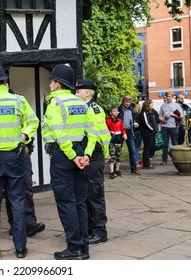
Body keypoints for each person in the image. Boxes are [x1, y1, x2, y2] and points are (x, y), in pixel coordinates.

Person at [0, 61, 39, 260]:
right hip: (15, 158)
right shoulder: (19, 101)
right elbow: (33, 121)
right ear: (5, 82)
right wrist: (24, 136)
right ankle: (20, 248)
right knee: (17, 201)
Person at [41, 64, 96, 260]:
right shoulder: (82, 103)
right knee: (80, 202)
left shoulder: (54, 104)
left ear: (58, 84)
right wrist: (85, 155)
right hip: (81, 152)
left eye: (51, 81)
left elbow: (60, 134)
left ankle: (73, 248)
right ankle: (84, 248)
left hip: (64, 156)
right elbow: (92, 132)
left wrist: (72, 157)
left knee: (66, 202)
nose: (49, 85)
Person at [5, 87, 45, 238]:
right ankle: (24, 225)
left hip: (14, 153)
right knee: (22, 188)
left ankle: (20, 225)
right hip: (19, 153)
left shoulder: (17, 101)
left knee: (14, 189)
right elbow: (32, 122)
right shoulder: (18, 101)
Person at [75, 79, 111, 245]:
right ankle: (90, 228)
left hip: (94, 154)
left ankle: (99, 230)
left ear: (87, 93)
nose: (76, 95)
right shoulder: (86, 107)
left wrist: (99, 152)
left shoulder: (93, 109)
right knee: (87, 192)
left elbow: (95, 134)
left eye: (78, 92)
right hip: (92, 153)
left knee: (95, 193)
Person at [159, 91, 183, 165]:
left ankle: (176, 159)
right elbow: (160, 115)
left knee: (174, 143)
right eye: (167, 96)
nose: (168, 98)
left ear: (173, 97)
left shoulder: (176, 105)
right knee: (165, 143)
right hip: (165, 126)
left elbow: (181, 116)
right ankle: (164, 159)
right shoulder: (163, 106)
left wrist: (173, 115)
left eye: (170, 96)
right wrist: (161, 119)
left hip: (173, 126)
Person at [118, 96, 141, 175]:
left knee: (132, 150)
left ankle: (134, 168)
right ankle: (115, 169)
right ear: (123, 102)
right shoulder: (119, 109)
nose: (128, 103)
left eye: (129, 102)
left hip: (129, 132)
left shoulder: (131, 109)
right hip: (120, 132)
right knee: (118, 150)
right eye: (126, 102)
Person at [106, 106, 127, 179]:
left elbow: (122, 128)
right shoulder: (108, 121)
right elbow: (106, 129)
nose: (116, 112)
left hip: (119, 140)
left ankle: (117, 169)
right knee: (112, 155)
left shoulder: (120, 120)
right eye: (114, 111)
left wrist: (124, 134)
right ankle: (112, 171)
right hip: (112, 140)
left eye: (117, 111)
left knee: (118, 155)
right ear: (111, 113)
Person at [139, 99, 157, 169]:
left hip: (150, 132)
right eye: (151, 105)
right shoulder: (144, 113)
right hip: (147, 132)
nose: (152, 106)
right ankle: (146, 163)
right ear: (147, 105)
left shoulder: (150, 112)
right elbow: (146, 123)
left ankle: (146, 162)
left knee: (148, 148)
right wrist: (153, 129)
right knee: (147, 148)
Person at [133, 103, 143, 167]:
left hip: (134, 131)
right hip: (139, 131)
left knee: (136, 147)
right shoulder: (139, 116)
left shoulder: (133, 115)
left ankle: (137, 160)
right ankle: (136, 161)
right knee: (137, 147)